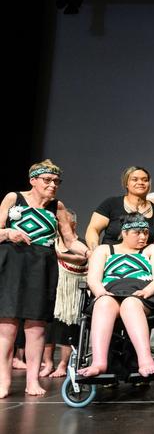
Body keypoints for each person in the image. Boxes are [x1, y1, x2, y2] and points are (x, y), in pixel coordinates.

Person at [0, 160, 90, 398]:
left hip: (42, 265)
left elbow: (70, 240)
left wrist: (89, 252)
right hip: (13, 264)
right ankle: (3, 380)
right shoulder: (13, 198)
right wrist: (9, 232)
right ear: (33, 180)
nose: (53, 186)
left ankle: (32, 380)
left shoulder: (56, 207)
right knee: (7, 327)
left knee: (36, 326)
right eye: (48, 181)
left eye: (56, 182)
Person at [77, 213, 154, 378]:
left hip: (142, 297)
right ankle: (99, 363)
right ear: (124, 233)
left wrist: (148, 290)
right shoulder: (105, 250)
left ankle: (145, 361)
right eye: (137, 233)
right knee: (103, 303)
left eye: (145, 232)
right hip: (110, 293)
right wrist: (100, 293)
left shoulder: (152, 249)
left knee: (130, 304)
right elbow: (93, 279)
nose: (143, 237)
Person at [41, 208, 89, 378]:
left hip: (70, 297)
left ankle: (63, 364)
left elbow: (82, 259)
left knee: (67, 329)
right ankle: (48, 364)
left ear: (73, 224)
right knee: (48, 330)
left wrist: (59, 255)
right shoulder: (50, 242)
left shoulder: (80, 244)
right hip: (50, 290)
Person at [86, 166, 154, 256]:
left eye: (145, 180)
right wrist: (96, 252)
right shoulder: (111, 204)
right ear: (126, 183)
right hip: (110, 260)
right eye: (135, 179)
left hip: (143, 263)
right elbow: (93, 229)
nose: (140, 183)